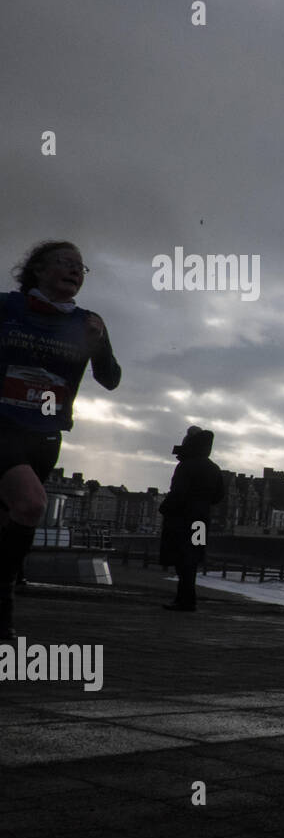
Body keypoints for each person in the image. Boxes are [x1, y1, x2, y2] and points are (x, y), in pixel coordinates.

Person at [1, 241, 121, 640]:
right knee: (32, 503)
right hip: (3, 423)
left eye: (80, 267)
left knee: (16, 516)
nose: (74, 271)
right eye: (64, 263)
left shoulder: (87, 322)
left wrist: (99, 341)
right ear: (37, 270)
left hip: (46, 432)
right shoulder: (8, 308)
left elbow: (110, 378)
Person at [158, 427, 225, 612]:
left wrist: (165, 508)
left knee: (182, 558)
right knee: (193, 558)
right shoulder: (214, 468)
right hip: (201, 521)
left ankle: (184, 600)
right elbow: (219, 496)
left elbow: (177, 493)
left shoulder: (186, 466)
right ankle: (188, 599)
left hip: (183, 520)